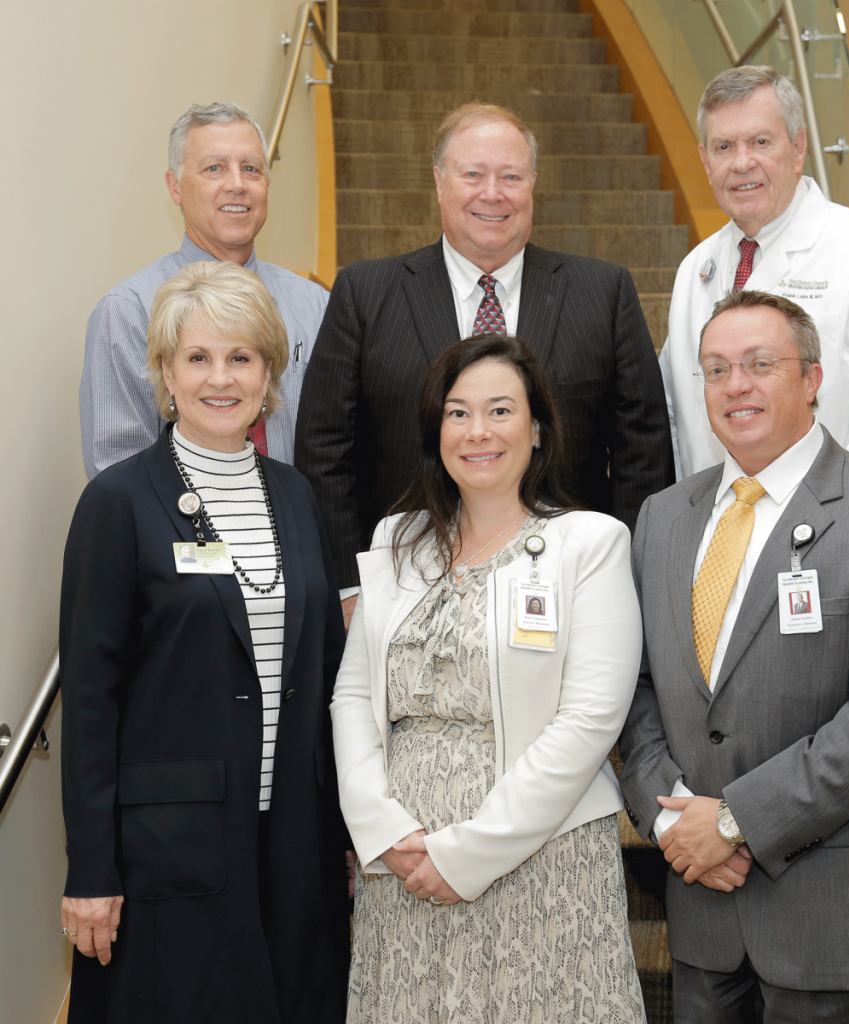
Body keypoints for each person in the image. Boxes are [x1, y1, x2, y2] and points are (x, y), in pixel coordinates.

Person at [619, 289, 849, 1022]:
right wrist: (675, 824)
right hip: (703, 912)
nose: (735, 384)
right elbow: (637, 690)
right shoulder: (661, 519)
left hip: (828, 915)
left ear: (812, 378)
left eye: (759, 363)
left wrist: (735, 821)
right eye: (714, 369)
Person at [60, 261, 348, 1023]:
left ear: (269, 372)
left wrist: (345, 834)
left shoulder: (296, 495)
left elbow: (327, 680)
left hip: (291, 841)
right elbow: (90, 702)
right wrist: (91, 869)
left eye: (241, 357)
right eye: (198, 358)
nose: (221, 378)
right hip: (170, 854)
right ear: (164, 372)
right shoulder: (117, 503)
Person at [332, 334, 647, 1021]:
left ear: (537, 429)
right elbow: (354, 693)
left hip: (541, 860)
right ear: (435, 430)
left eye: (501, 411)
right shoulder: (396, 542)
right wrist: (379, 830)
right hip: (403, 863)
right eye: (458, 412)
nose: (478, 431)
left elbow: (590, 719)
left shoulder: (588, 545)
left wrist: (468, 854)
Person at [295, 102, 674, 627]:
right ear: (439, 182)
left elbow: (643, 455)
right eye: (472, 174)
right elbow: (324, 451)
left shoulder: (603, 292)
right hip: (403, 592)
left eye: (510, 176)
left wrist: (626, 584)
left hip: (566, 594)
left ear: (533, 184)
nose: (492, 193)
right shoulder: (364, 292)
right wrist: (349, 585)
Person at [661, 66, 849, 483]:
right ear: (705, 159)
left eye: (760, 142)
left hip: (837, 529)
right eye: (723, 146)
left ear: (798, 146)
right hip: (721, 532)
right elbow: (673, 417)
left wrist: (804, 510)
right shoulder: (694, 271)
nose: (741, 163)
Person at [80, 101, 328, 478]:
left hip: (295, 529)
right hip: (178, 532)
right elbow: (116, 470)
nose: (237, 184)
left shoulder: (316, 305)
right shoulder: (129, 311)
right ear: (175, 187)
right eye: (214, 168)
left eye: (251, 169)